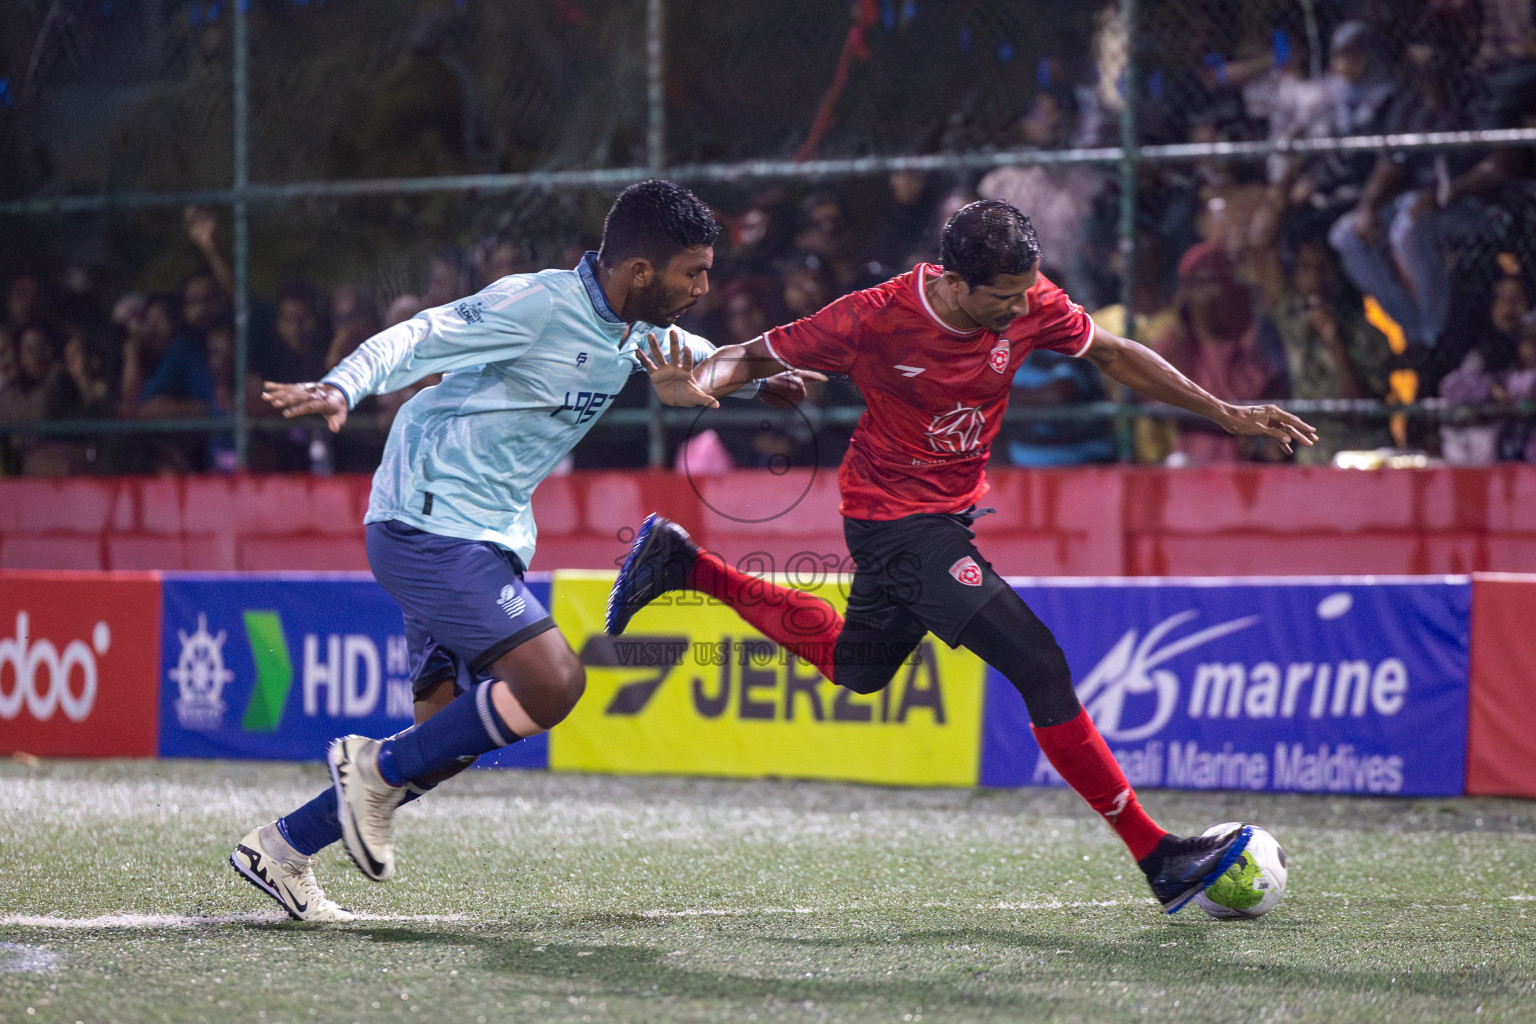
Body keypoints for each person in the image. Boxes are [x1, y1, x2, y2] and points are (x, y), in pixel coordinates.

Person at [604, 200, 1317, 915]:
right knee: (1039, 663)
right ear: (952, 281)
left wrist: (1224, 411)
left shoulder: (1029, 298)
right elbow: (752, 354)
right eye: (1001, 298)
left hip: (943, 514)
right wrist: (696, 383)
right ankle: (1156, 854)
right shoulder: (875, 317)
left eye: (1024, 291)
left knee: (860, 668)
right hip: (894, 522)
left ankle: (682, 565)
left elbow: (1112, 352)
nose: (1018, 308)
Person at [228, 180, 815, 922]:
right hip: (426, 520)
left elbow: (708, 357)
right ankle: (369, 770)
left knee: (445, 734)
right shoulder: (537, 304)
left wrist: (764, 382)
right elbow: (420, 333)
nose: (703, 287)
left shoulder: (636, 329)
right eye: (691, 272)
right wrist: (345, 384)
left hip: (488, 535)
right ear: (639, 271)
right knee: (555, 684)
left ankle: (281, 847)